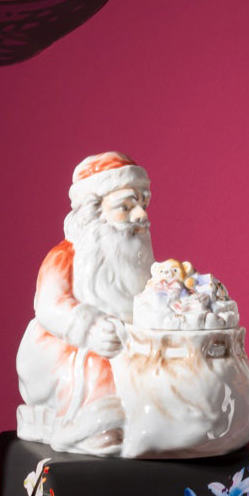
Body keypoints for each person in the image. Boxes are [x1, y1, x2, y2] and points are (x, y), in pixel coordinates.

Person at [16, 152, 155, 452]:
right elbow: (49, 306)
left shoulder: (138, 261)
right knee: (98, 361)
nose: (141, 216)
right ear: (93, 212)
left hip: (125, 341)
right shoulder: (64, 256)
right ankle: (96, 426)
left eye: (143, 205)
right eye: (125, 207)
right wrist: (90, 329)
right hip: (65, 345)